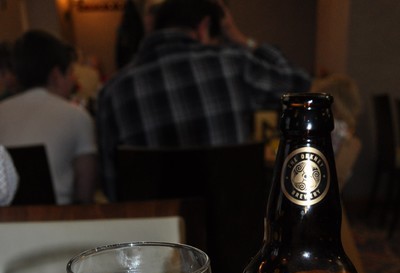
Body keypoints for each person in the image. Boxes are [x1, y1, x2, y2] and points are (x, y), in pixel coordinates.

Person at [96, 0, 311, 202]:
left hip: (154, 226)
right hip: (232, 222)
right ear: (204, 26)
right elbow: (299, 84)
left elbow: (112, 187)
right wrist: (239, 38)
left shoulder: (113, 91)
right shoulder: (233, 64)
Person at [0, 30, 97, 205]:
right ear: (56, 76)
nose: (74, 79)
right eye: (70, 72)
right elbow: (85, 194)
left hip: (6, 218)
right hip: (60, 218)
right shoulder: (77, 117)